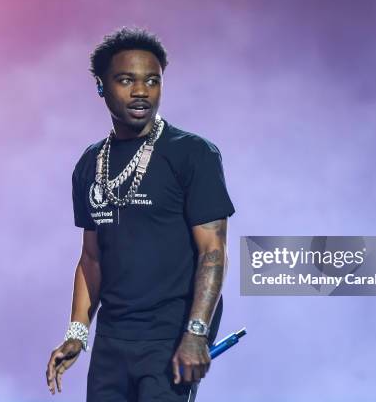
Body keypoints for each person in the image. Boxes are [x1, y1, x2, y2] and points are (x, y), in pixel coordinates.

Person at [45, 27, 235, 402]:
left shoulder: (193, 154)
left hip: (168, 340)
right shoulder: (89, 164)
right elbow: (91, 258)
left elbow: (214, 252)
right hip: (111, 343)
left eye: (152, 80)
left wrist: (196, 334)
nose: (141, 91)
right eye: (126, 80)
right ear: (101, 86)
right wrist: (77, 333)